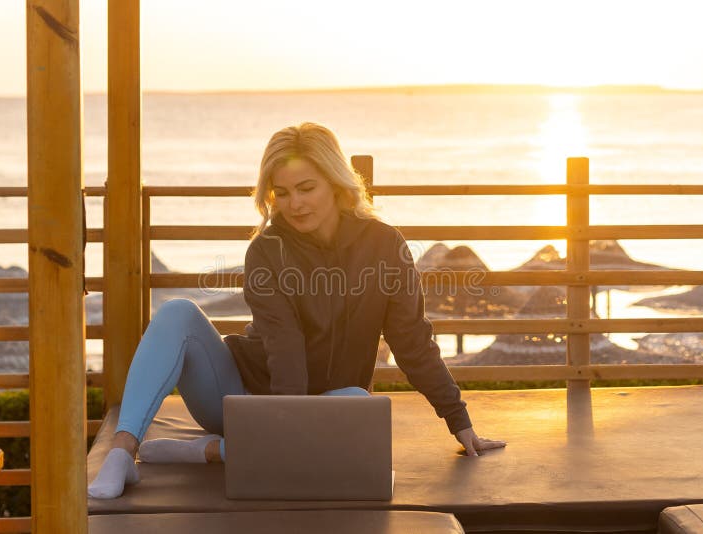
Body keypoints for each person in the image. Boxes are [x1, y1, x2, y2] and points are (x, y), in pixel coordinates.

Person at [87, 122, 506, 499]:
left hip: (327, 404)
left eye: (307, 188)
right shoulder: (267, 251)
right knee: (177, 311)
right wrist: (283, 427)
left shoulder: (385, 246)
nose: (294, 204)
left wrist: (459, 421)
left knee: (359, 403)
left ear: (336, 183)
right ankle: (124, 453)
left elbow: (413, 343)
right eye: (281, 193)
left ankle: (214, 451)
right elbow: (283, 346)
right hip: (239, 397)